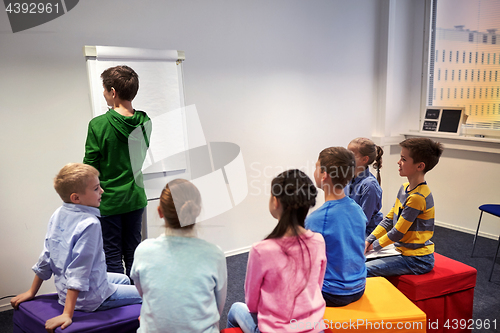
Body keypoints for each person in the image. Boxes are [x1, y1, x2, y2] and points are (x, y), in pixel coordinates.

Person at [10, 163, 142, 332]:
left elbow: (46, 257)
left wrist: (31, 292)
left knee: (123, 279)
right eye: (96, 188)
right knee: (150, 292)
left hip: (66, 291)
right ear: (76, 198)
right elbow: (79, 271)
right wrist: (67, 314)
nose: (102, 191)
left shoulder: (58, 213)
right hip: (92, 299)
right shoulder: (90, 224)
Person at [227, 170, 327, 333]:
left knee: (234, 309)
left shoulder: (261, 250)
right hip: (313, 328)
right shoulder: (318, 241)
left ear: (275, 201)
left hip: (276, 330)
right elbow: (317, 286)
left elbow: (252, 304)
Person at [130, 179, 227, 333]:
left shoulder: (143, 250)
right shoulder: (214, 254)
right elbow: (218, 306)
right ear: (197, 210)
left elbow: (144, 293)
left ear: (160, 212)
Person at [83, 65, 152, 278]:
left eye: (104, 90)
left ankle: (121, 305)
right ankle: (136, 300)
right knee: (133, 252)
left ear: (113, 92)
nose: (103, 93)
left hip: (108, 200)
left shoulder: (98, 125)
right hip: (135, 197)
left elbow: (90, 167)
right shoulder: (145, 121)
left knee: (111, 254)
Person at [365, 138, 444, 277]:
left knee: (363, 269)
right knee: (357, 261)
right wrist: (368, 240)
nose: (398, 162)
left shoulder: (417, 197)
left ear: (420, 166)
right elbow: (389, 220)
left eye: (403, 159)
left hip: (417, 259)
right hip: (401, 250)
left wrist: (373, 247)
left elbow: (397, 233)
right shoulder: (404, 188)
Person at [306, 147, 367, 307]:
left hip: (332, 293)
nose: (314, 172)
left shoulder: (317, 218)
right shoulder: (357, 209)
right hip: (359, 287)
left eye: (316, 167)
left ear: (324, 175)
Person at [345, 137, 384, 236]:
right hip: (351, 229)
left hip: (366, 234)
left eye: (351, 155)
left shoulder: (369, 185)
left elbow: (362, 221)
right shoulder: (347, 178)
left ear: (364, 159)